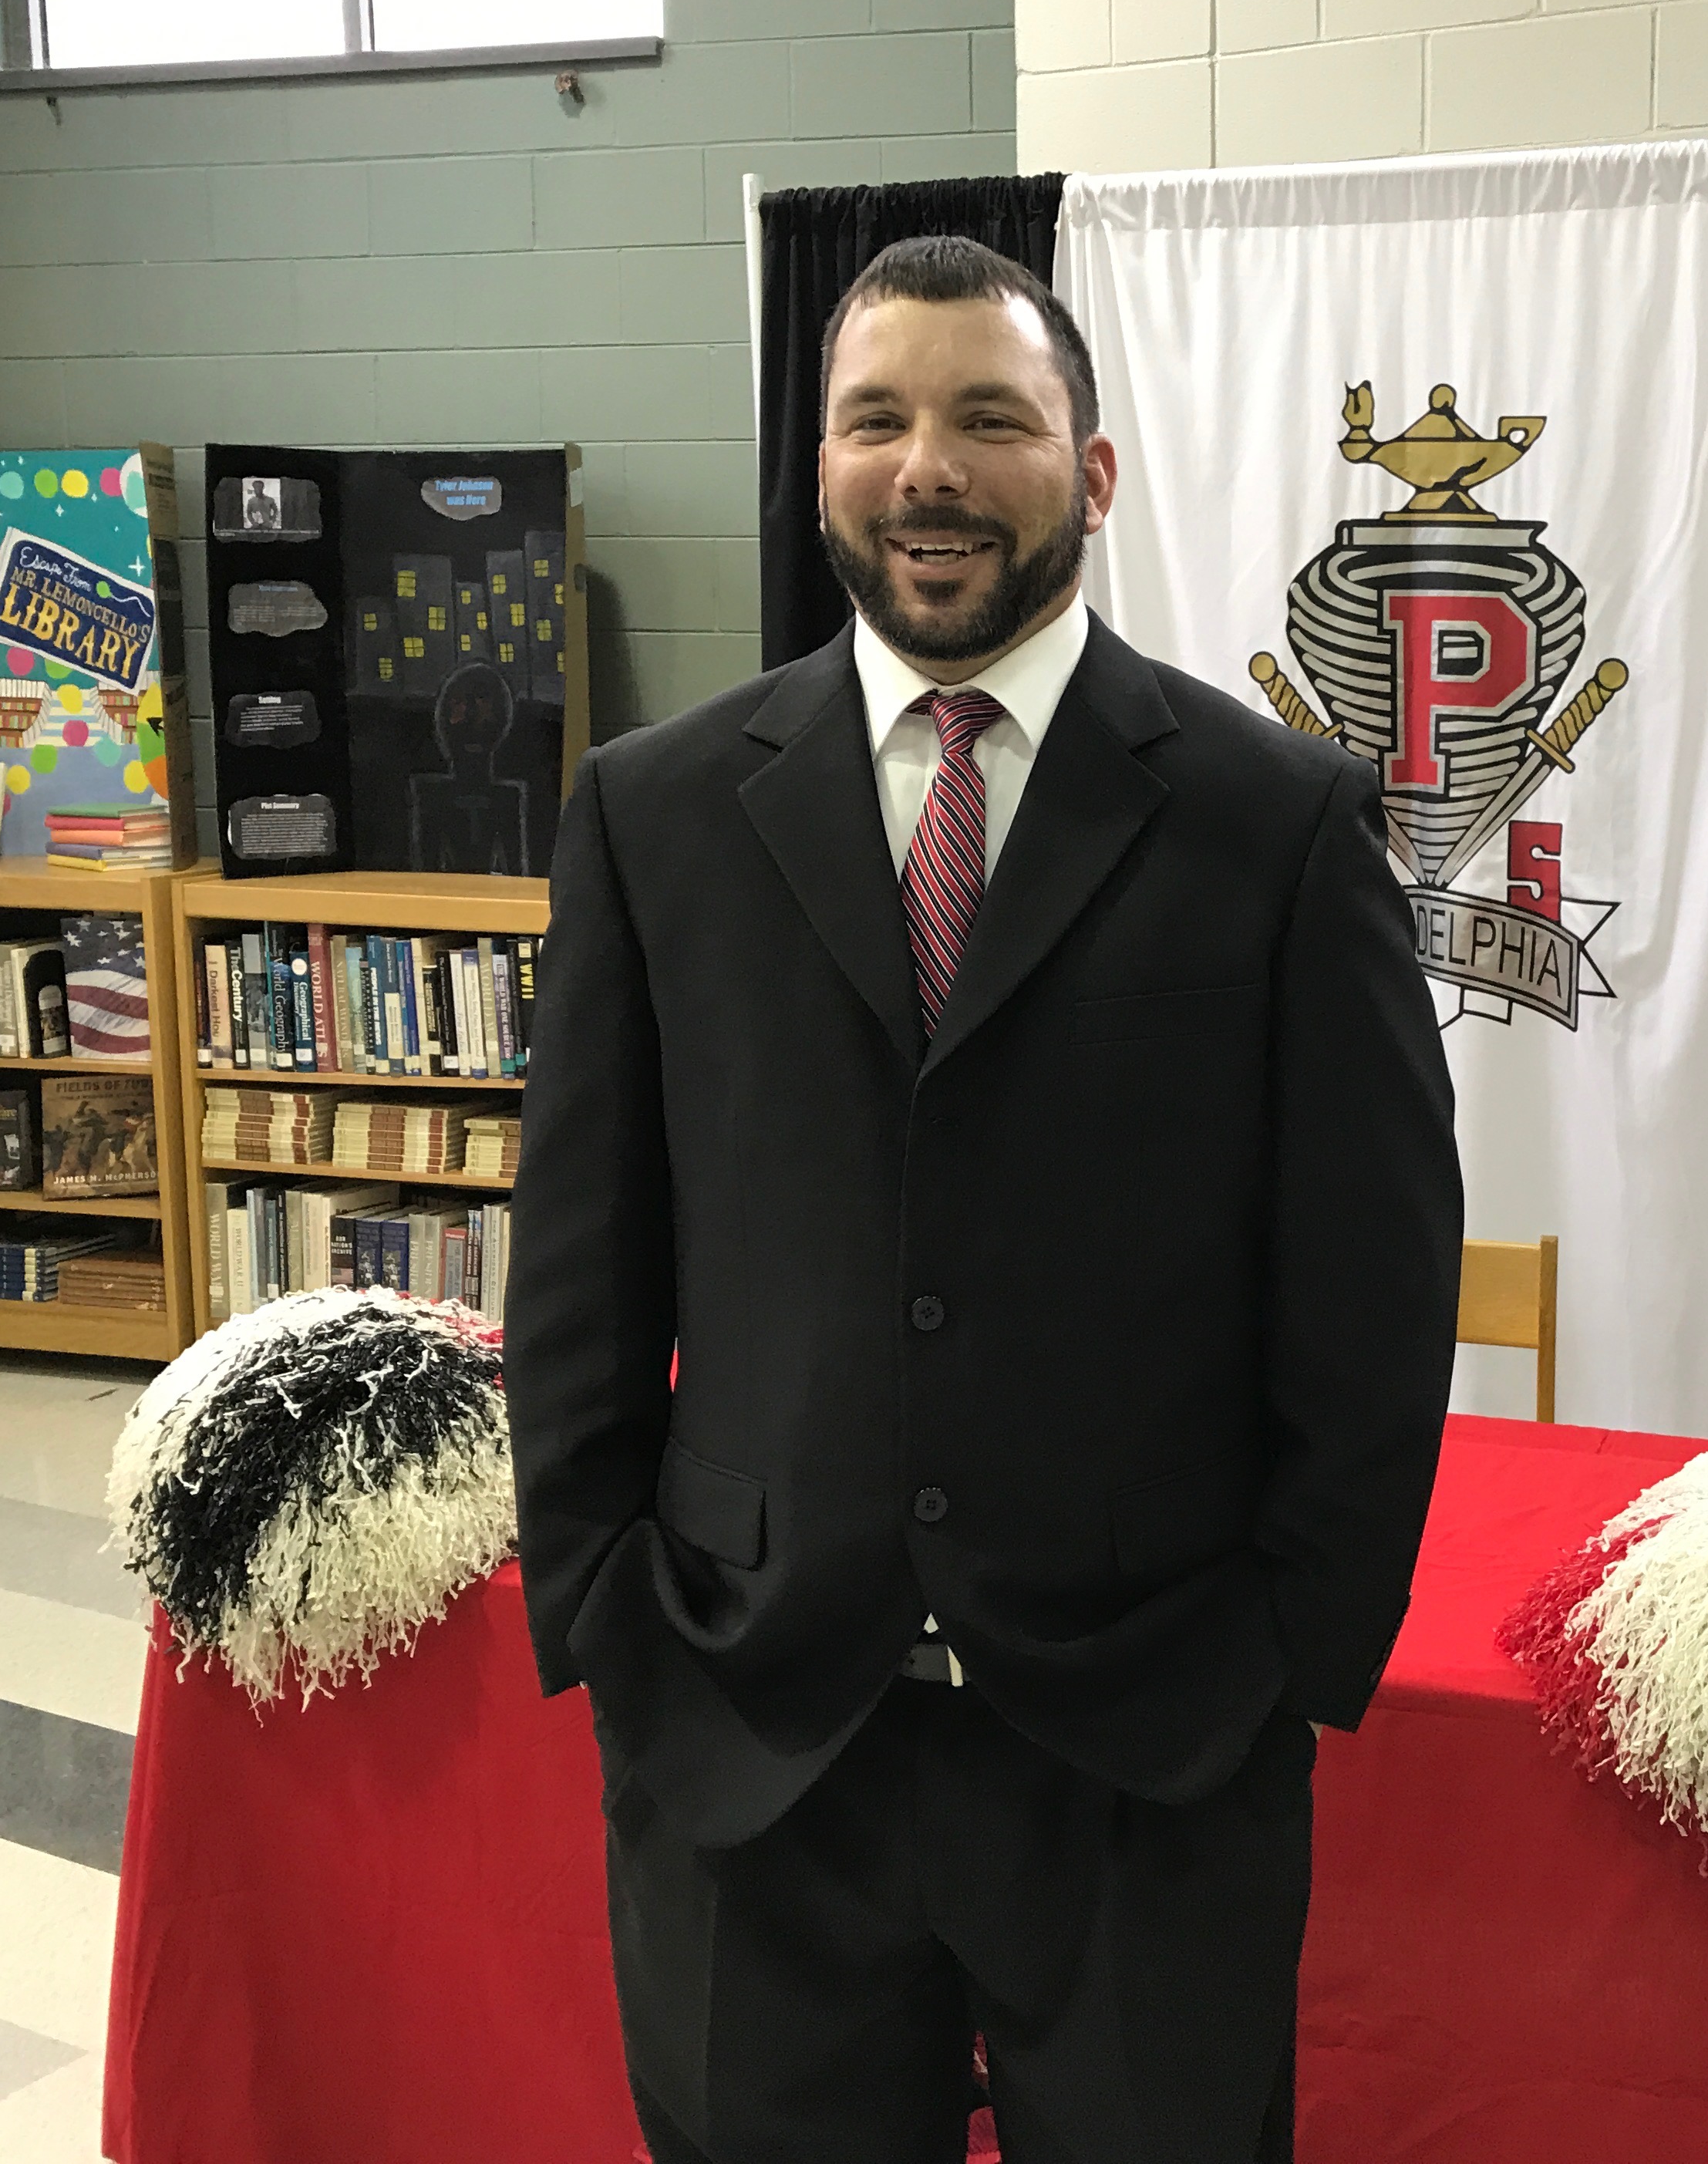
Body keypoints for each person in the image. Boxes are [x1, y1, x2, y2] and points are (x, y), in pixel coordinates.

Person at [506, 235, 1462, 2163]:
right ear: (823, 472)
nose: (926, 466)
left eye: (988, 419)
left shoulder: (1277, 824)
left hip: (1147, 1748)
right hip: (751, 1731)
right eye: (876, 420)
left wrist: (1285, 1656)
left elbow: (1372, 1288)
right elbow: (584, 1264)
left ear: (1089, 472)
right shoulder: (653, 814)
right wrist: (603, 1607)